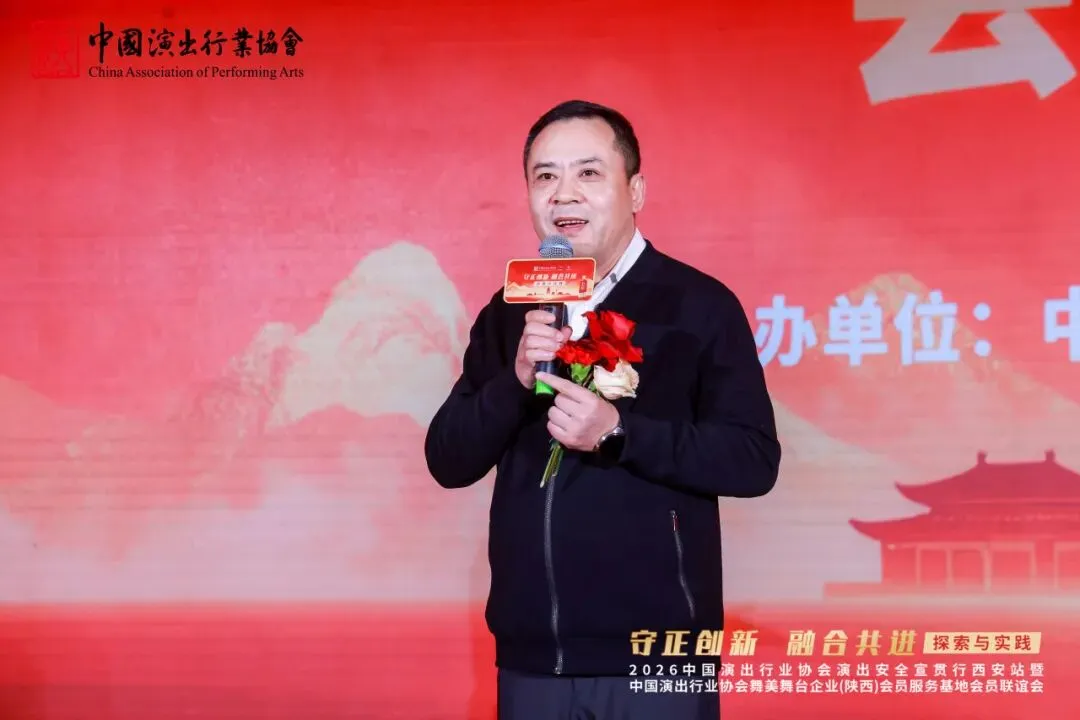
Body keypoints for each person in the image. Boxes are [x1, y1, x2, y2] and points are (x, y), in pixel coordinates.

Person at [424, 99, 781, 719]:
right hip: (533, 660)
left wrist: (619, 433)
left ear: (634, 190)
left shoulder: (698, 305)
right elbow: (448, 459)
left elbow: (753, 460)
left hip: (656, 659)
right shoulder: (510, 311)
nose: (564, 193)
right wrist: (515, 380)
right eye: (545, 176)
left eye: (588, 173)